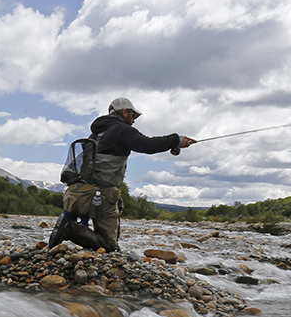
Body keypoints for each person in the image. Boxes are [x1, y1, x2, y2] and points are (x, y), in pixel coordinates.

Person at [48, 98, 195, 251]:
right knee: (109, 246)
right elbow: (147, 145)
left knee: (118, 205)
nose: (133, 121)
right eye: (133, 116)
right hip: (104, 193)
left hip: (89, 190)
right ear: (125, 112)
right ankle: (69, 228)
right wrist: (175, 140)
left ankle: (80, 232)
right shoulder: (122, 129)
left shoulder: (97, 133)